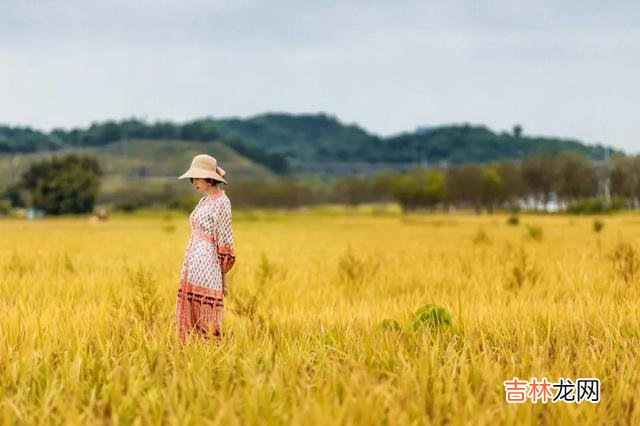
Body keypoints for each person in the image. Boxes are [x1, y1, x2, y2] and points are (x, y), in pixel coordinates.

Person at [175, 154, 236, 344]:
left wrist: (224, 276)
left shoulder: (222, 202)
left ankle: (211, 355)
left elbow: (225, 239)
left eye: (198, 178)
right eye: (192, 178)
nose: (194, 182)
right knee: (190, 312)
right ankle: (191, 355)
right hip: (193, 263)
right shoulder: (205, 200)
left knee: (206, 319)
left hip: (208, 264)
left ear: (210, 178)